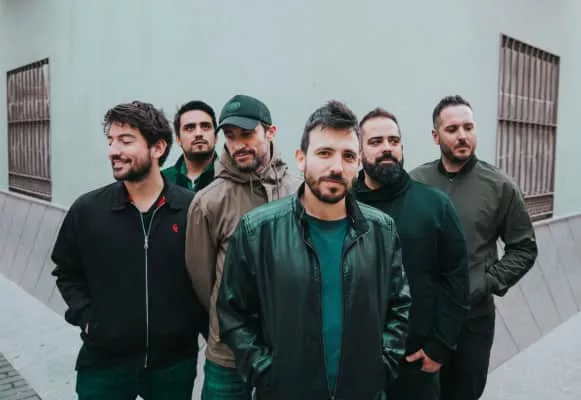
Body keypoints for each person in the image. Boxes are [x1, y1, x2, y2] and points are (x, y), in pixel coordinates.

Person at [217, 100, 412, 400]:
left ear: (358, 164)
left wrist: (381, 366)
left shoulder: (381, 231)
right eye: (324, 153)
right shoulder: (258, 230)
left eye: (348, 156)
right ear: (301, 158)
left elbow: (399, 306)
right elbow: (233, 314)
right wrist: (267, 373)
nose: (336, 167)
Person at [51, 101, 207, 400]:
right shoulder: (88, 210)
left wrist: (193, 326)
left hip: (172, 364)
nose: (113, 150)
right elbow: (66, 271)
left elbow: (205, 277)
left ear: (158, 147)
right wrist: (88, 319)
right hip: (104, 363)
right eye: (111, 141)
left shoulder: (191, 209)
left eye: (125, 141)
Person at [410, 95, 538, 400]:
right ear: (435, 136)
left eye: (468, 127)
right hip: (423, 320)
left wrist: (485, 282)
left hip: (472, 323)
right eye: (452, 129)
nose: (462, 135)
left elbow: (524, 249)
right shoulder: (415, 183)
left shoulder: (500, 186)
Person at [185, 94, 301, 399]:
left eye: (247, 134)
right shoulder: (208, 201)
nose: (238, 145)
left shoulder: (300, 192)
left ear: (270, 132)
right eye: (230, 136)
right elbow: (203, 281)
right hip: (228, 353)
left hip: (287, 348)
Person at [354, 107, 470, 400]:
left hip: (416, 364)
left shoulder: (435, 205)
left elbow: (456, 279)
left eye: (393, 141)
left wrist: (440, 347)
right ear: (359, 152)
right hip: (353, 364)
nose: (387, 148)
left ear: (402, 147)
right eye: (376, 141)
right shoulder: (342, 207)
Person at [162, 100, 218, 192]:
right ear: (178, 139)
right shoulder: (163, 181)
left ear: (216, 137)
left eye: (205, 126)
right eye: (189, 128)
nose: (198, 133)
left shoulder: (232, 177)